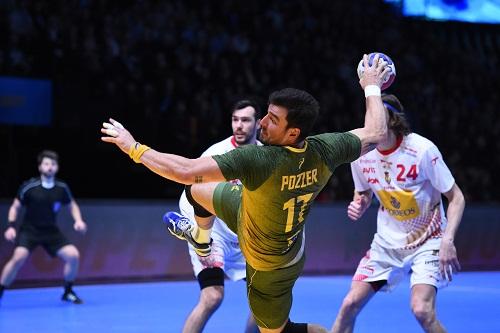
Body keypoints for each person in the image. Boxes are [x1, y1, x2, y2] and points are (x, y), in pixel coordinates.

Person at [101, 54, 390, 333]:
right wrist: (371, 86)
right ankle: (203, 241)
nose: (262, 123)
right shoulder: (326, 149)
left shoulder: (260, 160)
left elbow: (185, 170)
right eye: (265, 114)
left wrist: (134, 148)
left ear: (292, 133)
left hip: (271, 266)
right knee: (198, 190)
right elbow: (376, 132)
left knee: (278, 331)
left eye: (273, 120)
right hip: (247, 212)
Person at [331, 94, 465, 333]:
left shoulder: (422, 150)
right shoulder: (360, 153)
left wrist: (448, 240)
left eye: (376, 115)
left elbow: (456, 197)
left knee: (422, 310)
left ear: (391, 119)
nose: (370, 121)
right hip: (386, 245)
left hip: (428, 241)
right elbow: (362, 192)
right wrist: (359, 203)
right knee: (349, 304)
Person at [175, 99, 261, 333]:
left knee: (265, 301)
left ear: (258, 123)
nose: (239, 126)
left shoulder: (267, 157)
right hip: (214, 235)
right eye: (235, 120)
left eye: (245, 120)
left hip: (247, 239)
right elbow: (190, 193)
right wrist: (201, 238)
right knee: (212, 297)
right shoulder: (216, 154)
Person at [0, 150, 87, 304]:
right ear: (40, 167)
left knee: (73, 255)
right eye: (46, 164)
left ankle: (68, 291)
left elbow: (72, 205)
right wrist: (11, 226)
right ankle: (1, 290)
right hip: (30, 230)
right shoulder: (29, 186)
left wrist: (78, 220)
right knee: (18, 257)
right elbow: (15, 207)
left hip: (51, 231)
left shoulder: (62, 188)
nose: (50, 167)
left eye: (53, 164)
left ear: (57, 167)